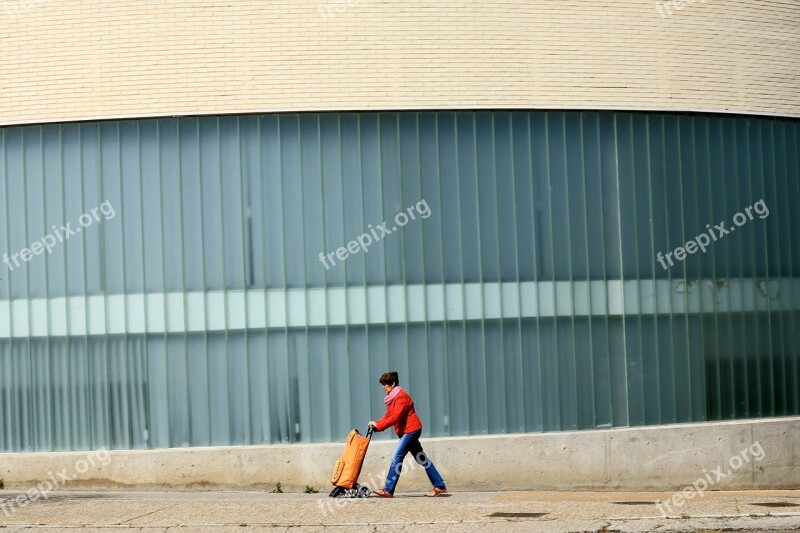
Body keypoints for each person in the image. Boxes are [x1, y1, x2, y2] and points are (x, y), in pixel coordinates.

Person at [368, 371, 447, 498]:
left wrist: (379, 426)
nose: (383, 387)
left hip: (411, 431)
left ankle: (388, 490)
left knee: (396, 457)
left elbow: (395, 417)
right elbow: (388, 416)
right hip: (408, 431)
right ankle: (440, 485)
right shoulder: (393, 398)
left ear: (392, 384)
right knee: (422, 458)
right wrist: (376, 424)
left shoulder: (401, 397)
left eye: (385, 385)